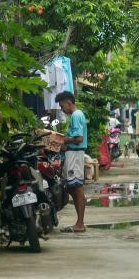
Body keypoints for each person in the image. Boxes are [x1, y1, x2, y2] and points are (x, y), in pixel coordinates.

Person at [57, 91, 88, 233]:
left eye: (62, 105)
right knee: (72, 187)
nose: (62, 109)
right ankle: (79, 222)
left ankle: (80, 223)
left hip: (75, 154)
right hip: (73, 154)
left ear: (68, 102)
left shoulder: (76, 115)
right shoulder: (76, 115)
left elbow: (79, 138)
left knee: (77, 188)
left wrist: (63, 140)